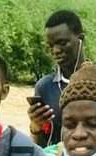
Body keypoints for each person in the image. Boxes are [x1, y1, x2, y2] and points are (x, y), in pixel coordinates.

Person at [29, 10, 86, 147]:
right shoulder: (44, 87)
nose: (56, 50)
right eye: (51, 46)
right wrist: (36, 126)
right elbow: (41, 146)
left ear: (81, 39)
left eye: (62, 43)